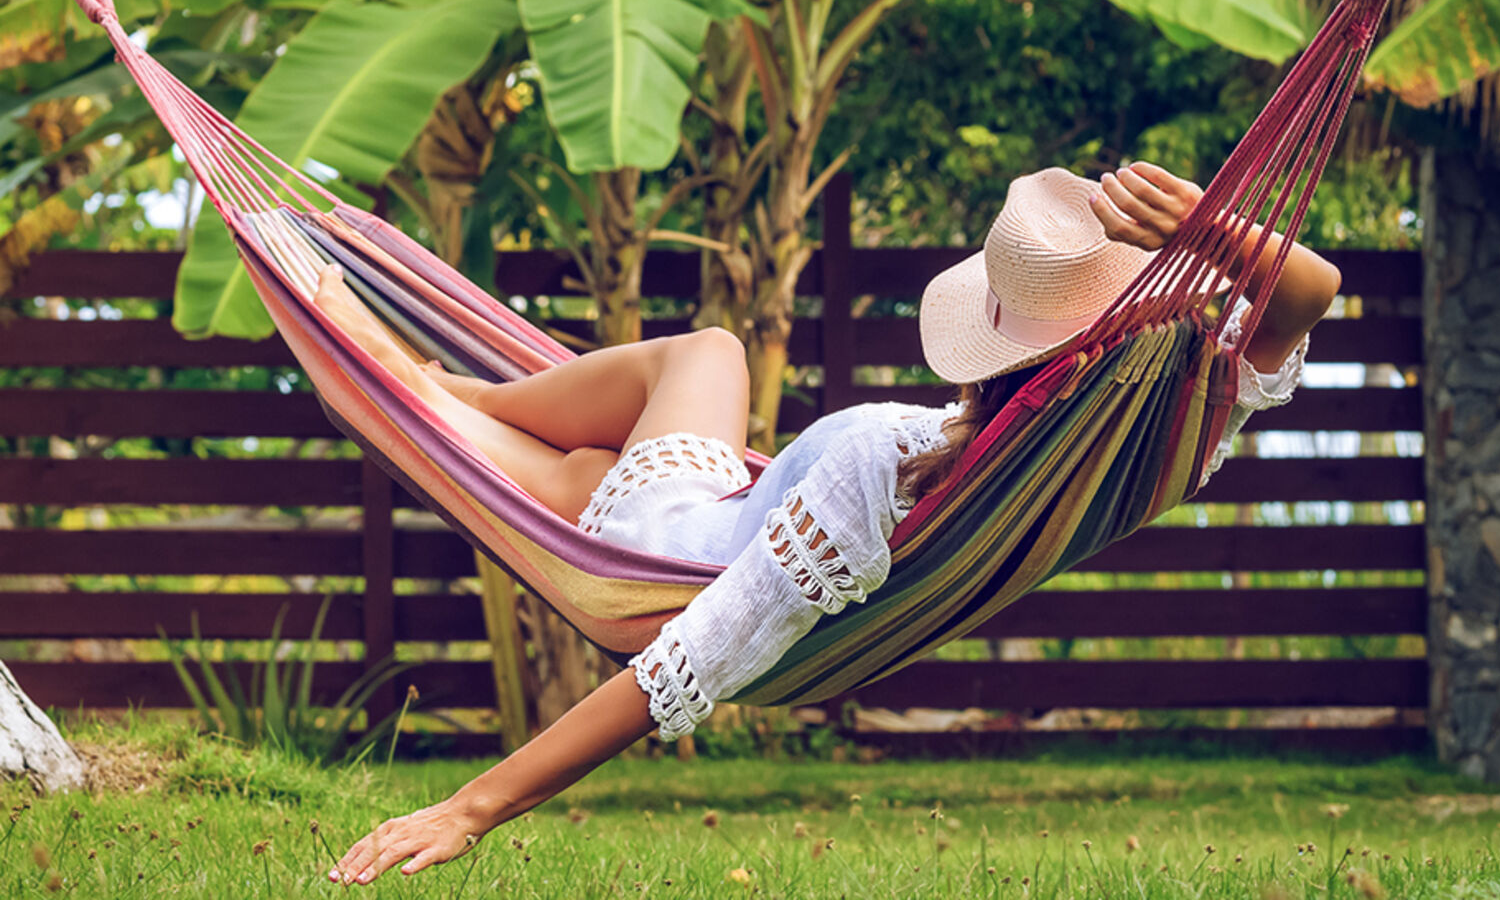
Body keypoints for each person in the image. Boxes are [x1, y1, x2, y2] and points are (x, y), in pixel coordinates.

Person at [317, 162, 1340, 886]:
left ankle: (418, 388)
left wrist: (470, 808)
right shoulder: (1154, 444)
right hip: (711, 512)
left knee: (703, 355)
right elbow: (1311, 289)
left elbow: (688, 662)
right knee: (604, 445)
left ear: (999, 352)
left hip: (660, 553)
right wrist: (1211, 229)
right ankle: (448, 394)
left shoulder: (881, 474)